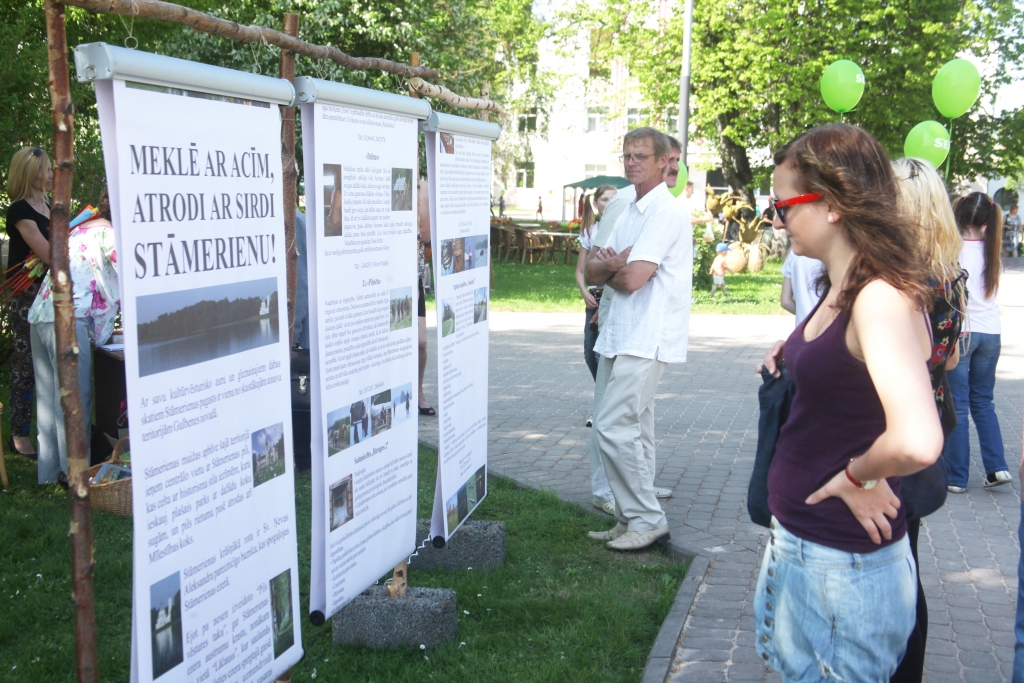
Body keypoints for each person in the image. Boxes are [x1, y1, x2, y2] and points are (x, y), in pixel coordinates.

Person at [754, 124, 943, 680]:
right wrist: (795, 352)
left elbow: (917, 439)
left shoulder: (878, 297)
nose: (776, 218)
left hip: (841, 570)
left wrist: (857, 476)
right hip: (807, 552)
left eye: (784, 204)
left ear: (832, 205)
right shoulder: (842, 285)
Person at [583, 127, 692, 549]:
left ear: (665, 162)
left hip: (648, 335)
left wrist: (617, 265)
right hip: (620, 332)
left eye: (641, 156)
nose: (632, 162)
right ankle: (630, 517)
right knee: (631, 427)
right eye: (627, 155)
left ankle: (647, 519)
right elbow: (592, 270)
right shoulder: (629, 211)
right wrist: (615, 264)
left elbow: (631, 279)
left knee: (612, 425)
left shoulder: (666, 212)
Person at [889, 156, 966, 683]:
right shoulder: (950, 276)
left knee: (891, 567)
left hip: (894, 429)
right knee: (905, 556)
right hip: (934, 420)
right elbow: (953, 359)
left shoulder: (897, 280)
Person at [29, 190, 120, 485]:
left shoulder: (82, 228)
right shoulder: (109, 234)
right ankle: (76, 478)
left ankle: (48, 476)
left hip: (42, 314)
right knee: (75, 400)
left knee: (49, 400)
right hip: (70, 318)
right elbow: (134, 277)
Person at [944, 191, 1013, 493]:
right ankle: (997, 467)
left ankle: (957, 478)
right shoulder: (993, 250)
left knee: (957, 402)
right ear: (988, 220)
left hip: (964, 333)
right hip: (992, 334)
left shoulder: (952, 251)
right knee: (984, 401)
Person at [4, 147, 53, 458]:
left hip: (49, 292)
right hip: (27, 297)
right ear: (31, 173)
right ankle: (19, 433)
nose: (51, 175)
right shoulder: (20, 211)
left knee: (49, 366)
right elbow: (48, 254)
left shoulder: (48, 205)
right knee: (26, 366)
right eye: (46, 169)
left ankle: (48, 431)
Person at [575, 184, 618, 384]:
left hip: (613, 297)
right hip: (594, 299)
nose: (609, 204)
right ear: (595, 203)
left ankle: (604, 404)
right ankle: (602, 396)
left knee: (607, 355)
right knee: (590, 354)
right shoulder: (590, 232)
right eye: (604, 199)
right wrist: (585, 293)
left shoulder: (621, 229)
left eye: (613, 199)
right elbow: (580, 270)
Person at [417, 176, 435, 416]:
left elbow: (427, 235)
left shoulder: (423, 187)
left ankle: (419, 391)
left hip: (415, 277)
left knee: (420, 342)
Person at [780, 251, 824, 325]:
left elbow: (785, 301)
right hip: (827, 328)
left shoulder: (794, 253)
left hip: (802, 328)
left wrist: (803, 314)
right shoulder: (829, 252)